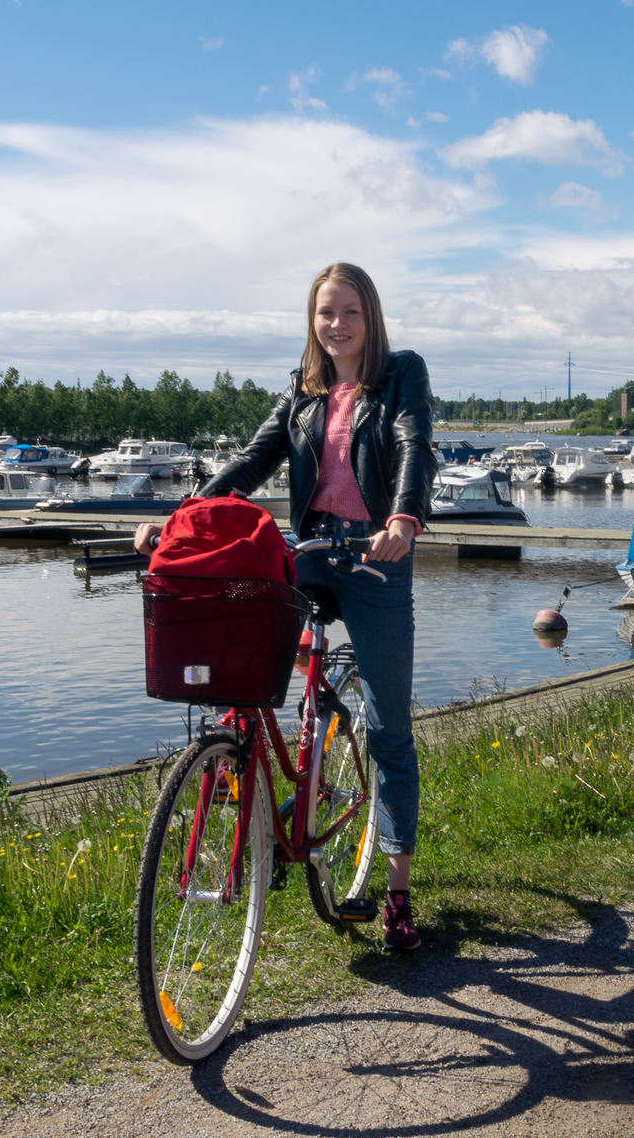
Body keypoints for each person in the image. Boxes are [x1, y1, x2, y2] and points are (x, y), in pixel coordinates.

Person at [134, 262, 436, 951]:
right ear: (313, 320)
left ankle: (395, 892)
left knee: (389, 728)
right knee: (245, 644)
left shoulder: (401, 374)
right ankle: (254, 786)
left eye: (350, 312)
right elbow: (247, 464)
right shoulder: (302, 392)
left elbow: (416, 446)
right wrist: (180, 517)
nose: (337, 325)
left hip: (378, 555)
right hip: (311, 550)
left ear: (371, 317)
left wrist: (404, 519)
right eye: (326, 313)